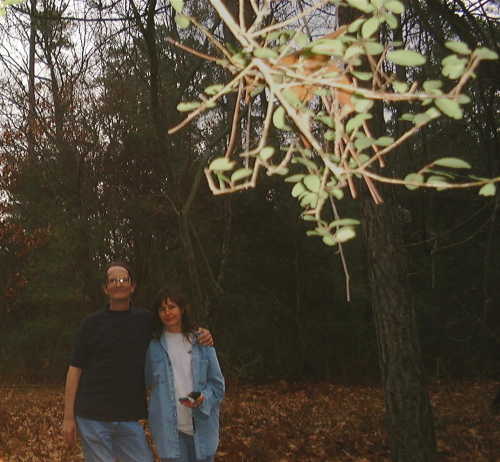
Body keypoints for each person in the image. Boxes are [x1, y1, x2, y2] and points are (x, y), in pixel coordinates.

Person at [63, 261, 213, 462]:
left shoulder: (146, 320)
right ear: (105, 288)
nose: (119, 284)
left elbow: (174, 325)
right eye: (113, 280)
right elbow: (75, 370)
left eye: (124, 279)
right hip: (92, 416)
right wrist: (68, 417)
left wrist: (200, 333)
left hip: (129, 417)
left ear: (132, 286)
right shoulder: (90, 324)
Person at [145, 287, 224, 462]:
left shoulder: (201, 340)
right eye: (162, 309)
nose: (167, 313)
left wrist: (203, 398)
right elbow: (143, 382)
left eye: (172, 307)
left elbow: (218, 387)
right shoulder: (153, 347)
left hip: (203, 429)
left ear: (182, 309)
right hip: (170, 434)